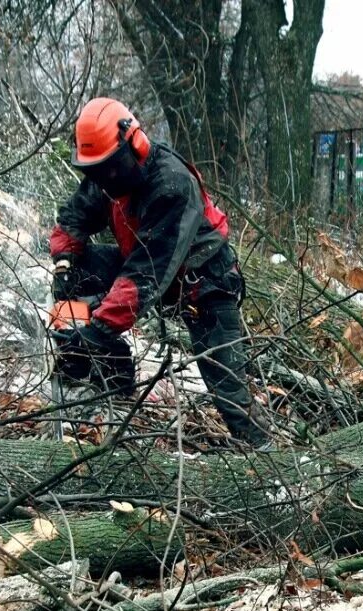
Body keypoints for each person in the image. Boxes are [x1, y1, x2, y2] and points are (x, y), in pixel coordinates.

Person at [48, 97, 271, 449]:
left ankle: (272, 462)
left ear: (133, 143)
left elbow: (145, 275)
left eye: (110, 169)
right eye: (97, 171)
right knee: (80, 271)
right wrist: (64, 264)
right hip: (142, 264)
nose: (105, 179)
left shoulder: (171, 184)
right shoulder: (107, 174)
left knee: (229, 392)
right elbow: (74, 218)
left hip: (203, 284)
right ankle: (110, 380)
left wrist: (99, 329)